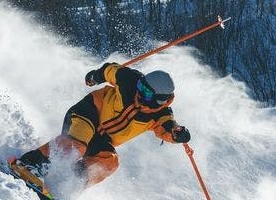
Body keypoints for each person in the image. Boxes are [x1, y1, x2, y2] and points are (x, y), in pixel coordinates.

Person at [10, 62, 191, 190]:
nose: (139, 91)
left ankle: (67, 182)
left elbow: (168, 128)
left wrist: (177, 134)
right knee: (78, 145)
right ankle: (29, 164)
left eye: (145, 91)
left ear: (159, 99)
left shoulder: (161, 114)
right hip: (87, 113)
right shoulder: (129, 79)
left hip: (101, 138)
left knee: (110, 161)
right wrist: (95, 76)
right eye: (141, 86)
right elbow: (110, 70)